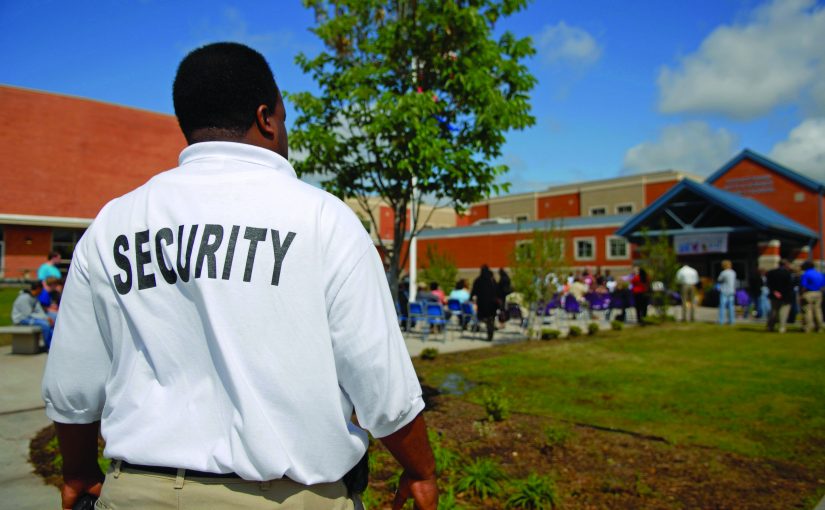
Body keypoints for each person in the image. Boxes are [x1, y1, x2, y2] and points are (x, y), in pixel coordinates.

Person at [41, 42, 437, 510]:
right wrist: (420, 469)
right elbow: (380, 382)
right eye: (285, 119)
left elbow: (73, 387)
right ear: (267, 117)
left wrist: (79, 472)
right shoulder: (323, 221)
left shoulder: (113, 224)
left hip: (138, 494)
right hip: (284, 497)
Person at [12, 281, 54, 351]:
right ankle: (48, 346)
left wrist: (46, 317)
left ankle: (53, 344)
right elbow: (27, 314)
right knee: (45, 324)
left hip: (29, 317)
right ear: (38, 289)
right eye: (41, 289)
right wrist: (45, 319)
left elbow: (39, 310)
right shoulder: (24, 297)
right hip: (21, 319)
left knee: (51, 322)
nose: (42, 292)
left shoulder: (35, 298)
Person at [471, 265, 498, 341]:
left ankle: (488, 327)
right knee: (491, 319)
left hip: (482, 303)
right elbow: (496, 290)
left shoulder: (478, 280)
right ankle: (490, 333)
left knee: (483, 317)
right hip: (491, 304)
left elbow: (474, 291)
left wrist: (471, 298)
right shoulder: (492, 281)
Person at [766, 259, 794, 333]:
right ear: (785, 265)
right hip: (785, 296)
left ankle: (770, 326)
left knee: (774, 311)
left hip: (774, 294)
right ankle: (782, 327)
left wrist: (774, 291)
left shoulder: (771, 273)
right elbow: (789, 286)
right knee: (783, 312)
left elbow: (768, 283)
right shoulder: (787, 274)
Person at [800, 260, 824, 333]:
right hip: (818, 292)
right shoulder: (819, 273)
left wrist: (801, 294)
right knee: (818, 310)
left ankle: (808, 327)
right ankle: (819, 327)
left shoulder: (806, 274)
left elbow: (803, 286)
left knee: (807, 310)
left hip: (809, 292)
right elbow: (823, 285)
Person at [717, 260, 737, 325]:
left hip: (724, 290)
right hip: (731, 291)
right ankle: (732, 321)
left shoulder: (723, 273)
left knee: (722, 306)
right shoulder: (733, 272)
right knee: (731, 306)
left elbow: (719, 280)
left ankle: (721, 321)